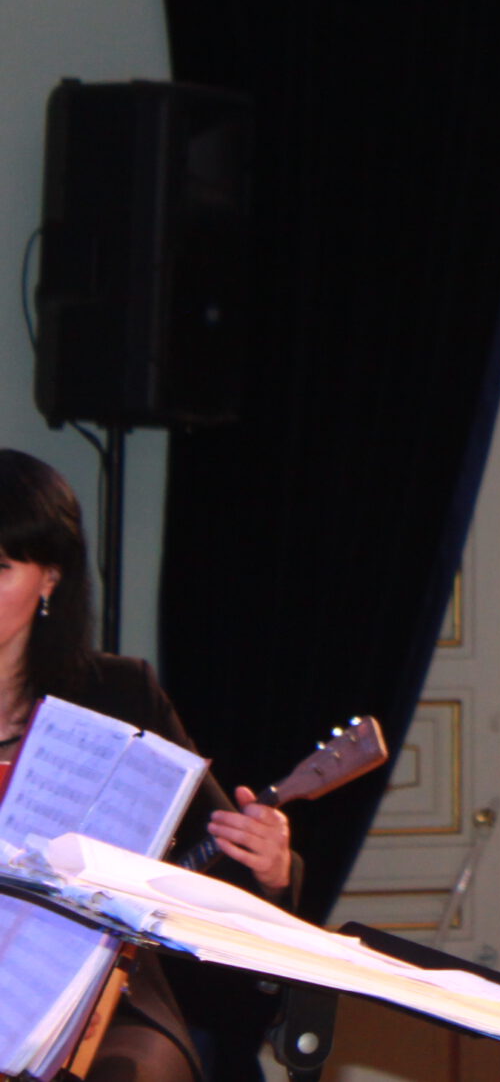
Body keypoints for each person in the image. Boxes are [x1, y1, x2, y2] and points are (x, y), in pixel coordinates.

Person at [0, 450, 294, 1082]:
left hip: (102, 988)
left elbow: (221, 866)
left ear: (50, 579)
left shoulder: (119, 695)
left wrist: (270, 866)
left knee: (136, 1071)